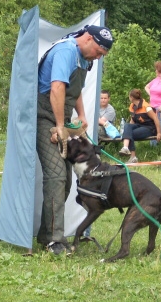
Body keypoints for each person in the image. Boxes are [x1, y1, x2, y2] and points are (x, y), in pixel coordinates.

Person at [36, 25, 114, 255]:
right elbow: (57, 87)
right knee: (57, 176)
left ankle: (46, 235)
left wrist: (80, 116)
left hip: (62, 116)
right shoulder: (66, 51)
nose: (98, 57)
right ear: (88, 38)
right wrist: (60, 126)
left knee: (65, 181)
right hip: (43, 116)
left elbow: (75, 88)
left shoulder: (81, 56)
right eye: (99, 52)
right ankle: (54, 242)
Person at [118, 89, 161, 163]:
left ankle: (133, 157)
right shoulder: (132, 106)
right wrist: (127, 130)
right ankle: (125, 148)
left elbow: (156, 118)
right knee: (127, 127)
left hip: (149, 128)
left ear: (131, 97)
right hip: (139, 125)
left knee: (129, 134)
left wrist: (159, 132)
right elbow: (132, 120)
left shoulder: (146, 106)